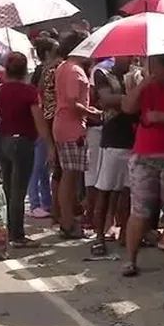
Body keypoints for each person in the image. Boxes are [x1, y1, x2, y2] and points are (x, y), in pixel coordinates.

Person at [120, 54, 164, 277]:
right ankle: (131, 259)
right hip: (144, 156)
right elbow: (127, 107)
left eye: (154, 66)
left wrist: (161, 117)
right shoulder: (146, 86)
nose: (150, 69)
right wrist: (142, 85)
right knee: (140, 209)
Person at [0, 52, 55, 248]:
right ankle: (17, 235)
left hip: (3, 140)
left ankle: (8, 229)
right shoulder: (29, 92)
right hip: (22, 143)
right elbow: (39, 122)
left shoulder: (1, 90)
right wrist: (50, 146)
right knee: (19, 192)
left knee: (8, 189)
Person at [90, 55, 138, 254]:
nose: (130, 59)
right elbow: (106, 99)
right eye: (127, 56)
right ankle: (99, 237)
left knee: (127, 194)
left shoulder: (135, 76)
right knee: (105, 191)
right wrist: (130, 97)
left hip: (132, 141)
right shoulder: (104, 74)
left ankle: (126, 233)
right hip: (112, 141)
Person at [52, 31, 96, 239]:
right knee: (70, 177)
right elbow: (72, 101)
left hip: (65, 125)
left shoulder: (64, 67)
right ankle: (68, 223)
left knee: (69, 176)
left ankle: (67, 220)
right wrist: (92, 112)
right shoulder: (74, 70)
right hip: (72, 127)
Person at [36, 37, 64, 227]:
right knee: (61, 170)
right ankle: (58, 209)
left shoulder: (45, 70)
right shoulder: (56, 69)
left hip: (49, 117)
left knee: (56, 169)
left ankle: (56, 207)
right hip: (56, 118)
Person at [27, 40, 57, 219]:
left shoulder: (49, 70)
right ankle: (35, 203)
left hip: (47, 121)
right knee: (38, 166)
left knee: (45, 165)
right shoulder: (43, 71)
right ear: (46, 53)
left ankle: (47, 202)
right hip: (41, 123)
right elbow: (37, 95)